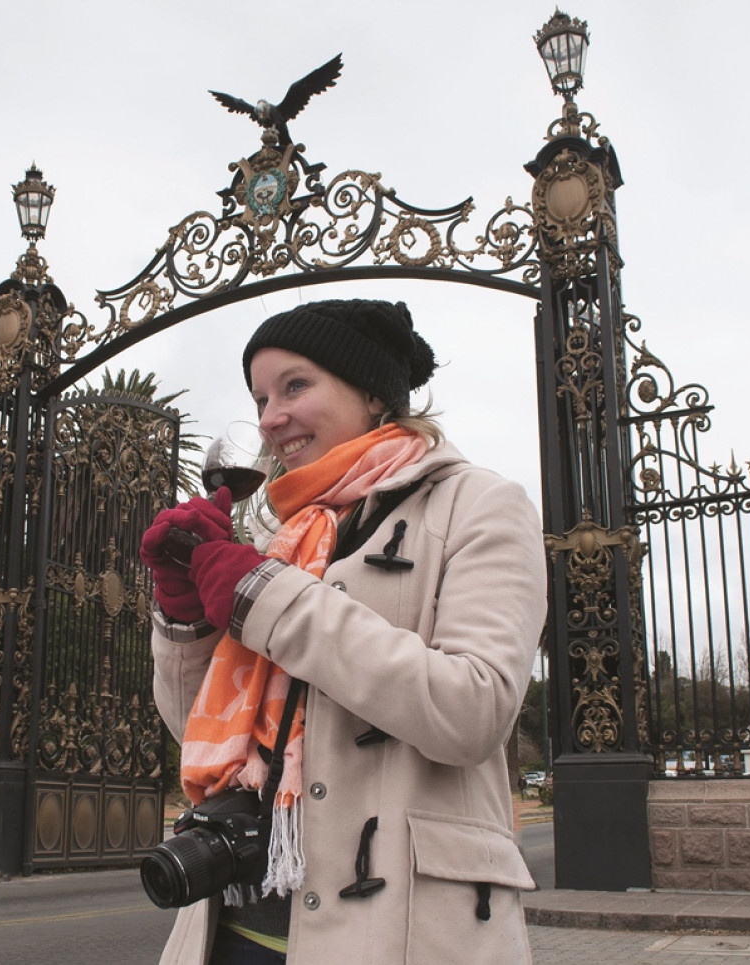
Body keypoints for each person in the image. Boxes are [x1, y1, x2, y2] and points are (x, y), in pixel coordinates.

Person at [141, 298, 547, 964]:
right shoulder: (281, 535)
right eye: (261, 396)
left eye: (295, 385)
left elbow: (475, 707)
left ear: (374, 393)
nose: (271, 417)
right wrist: (185, 619)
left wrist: (262, 598)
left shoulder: (479, 504)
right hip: (233, 932)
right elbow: (203, 734)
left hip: (400, 933)